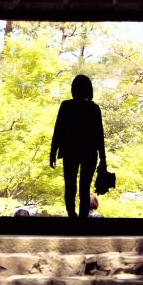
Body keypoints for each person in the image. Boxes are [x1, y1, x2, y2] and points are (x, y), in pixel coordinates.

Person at [50, 74, 106, 219]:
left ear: (73, 89)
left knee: (70, 184)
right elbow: (99, 136)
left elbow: (58, 130)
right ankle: (82, 218)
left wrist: (53, 152)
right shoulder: (94, 109)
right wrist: (103, 158)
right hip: (89, 152)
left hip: (70, 151)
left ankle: (71, 215)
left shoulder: (66, 106)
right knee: (84, 187)